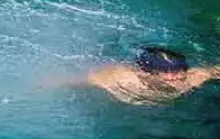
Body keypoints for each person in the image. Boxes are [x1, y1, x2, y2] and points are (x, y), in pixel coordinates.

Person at [64, 47, 220, 105]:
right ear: (146, 73)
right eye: (167, 72)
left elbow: (215, 70)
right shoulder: (121, 77)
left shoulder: (194, 77)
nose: (177, 78)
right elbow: (74, 80)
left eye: (180, 70)